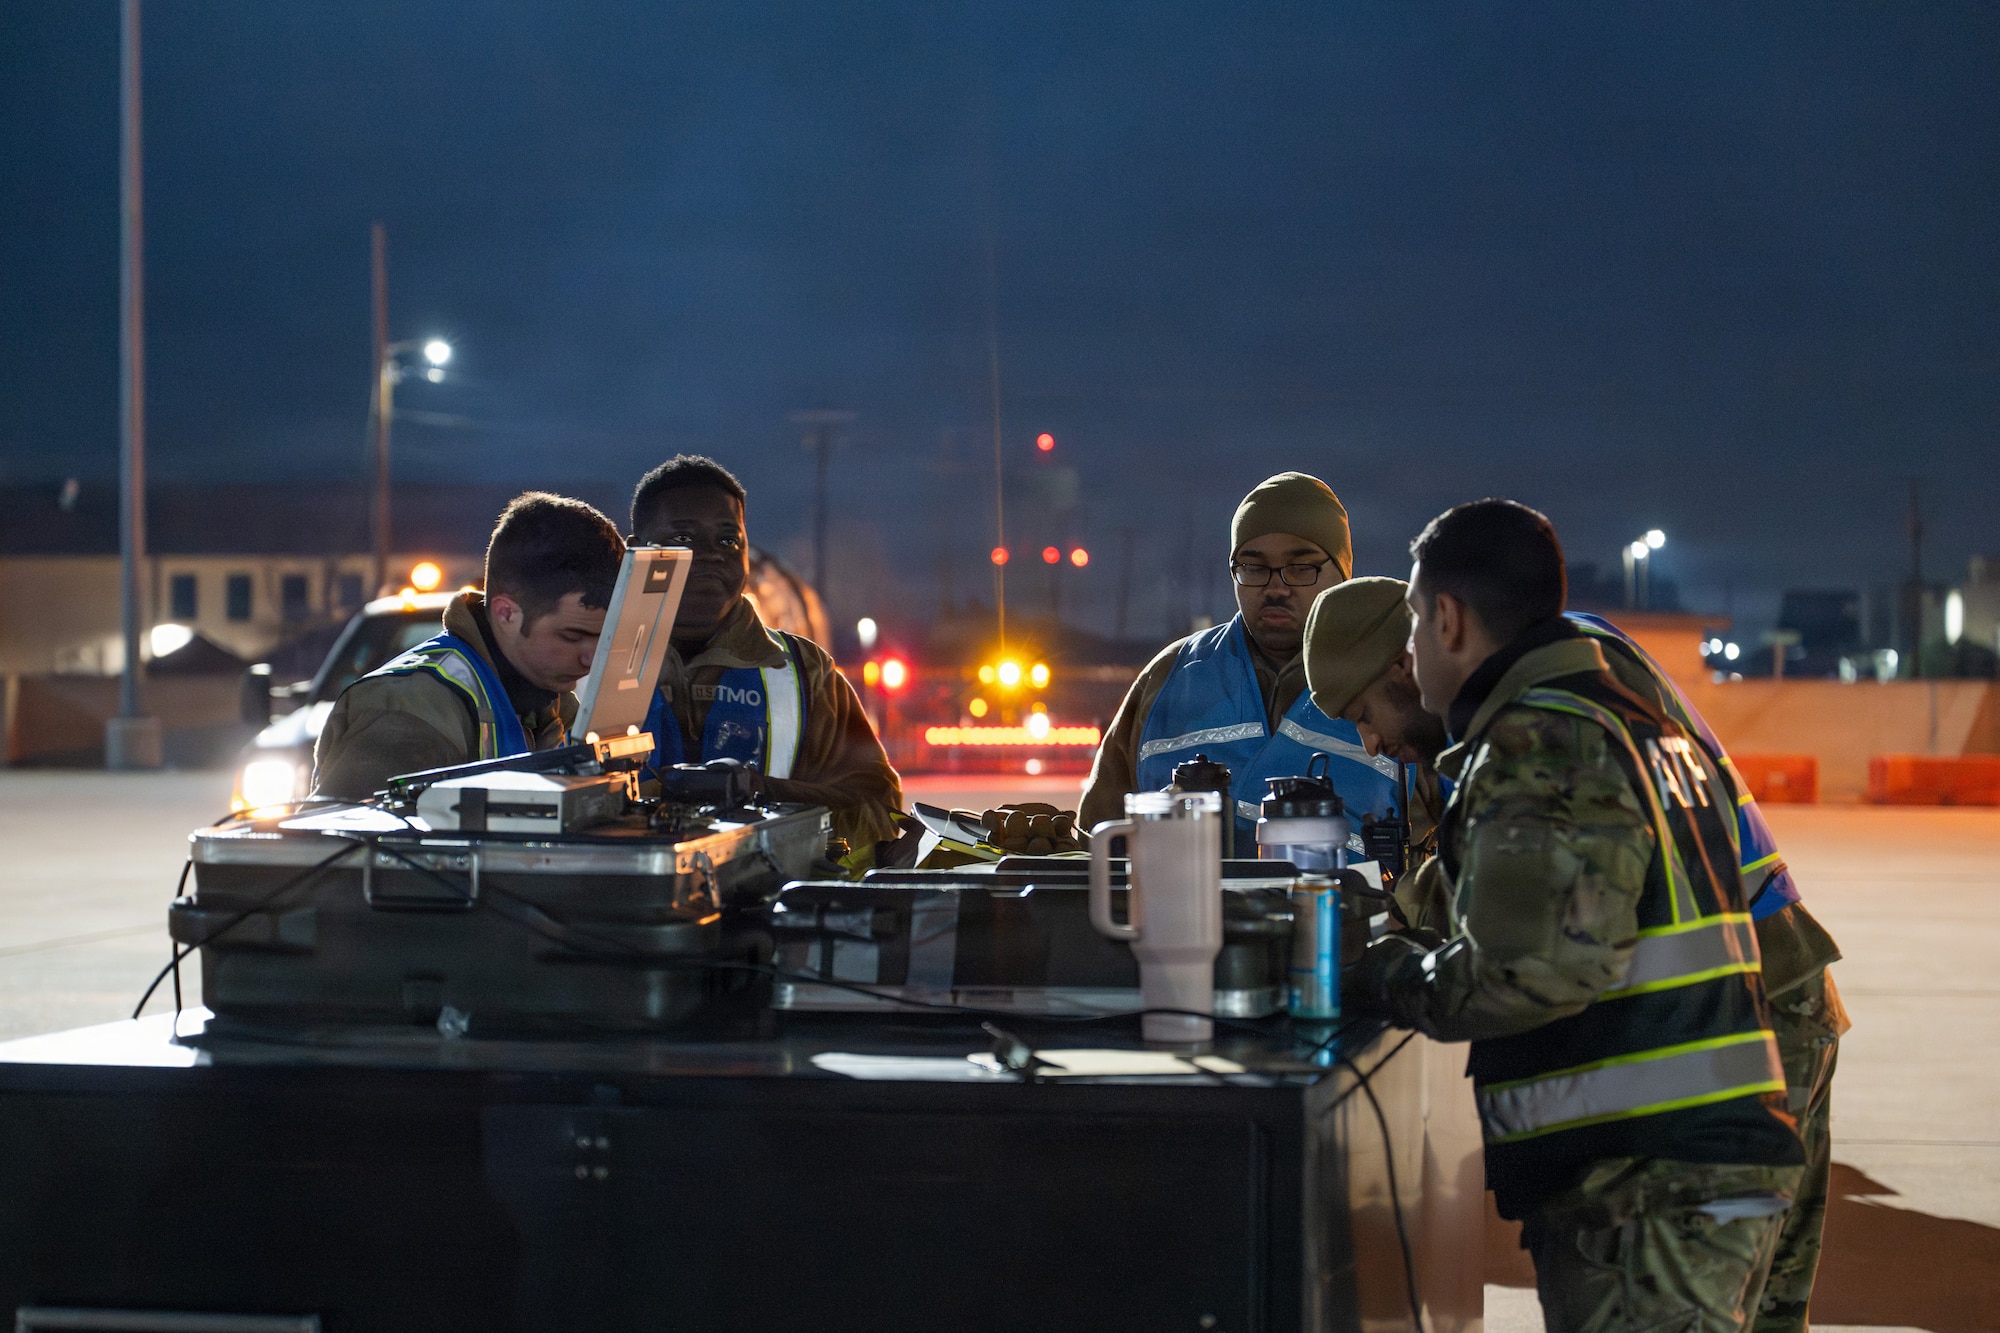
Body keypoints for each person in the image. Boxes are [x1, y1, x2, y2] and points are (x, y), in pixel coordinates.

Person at [1306, 577, 1846, 1333]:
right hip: (1774, 996)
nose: (1371, 741)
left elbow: (1534, 928)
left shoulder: (1545, 711)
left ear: (1408, 663)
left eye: (1364, 713)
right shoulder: (1574, 663)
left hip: (1724, 1022)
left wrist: (1377, 958)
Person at [1079, 472, 1406, 850]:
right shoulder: (1168, 678)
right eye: (1253, 567)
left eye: (1301, 568)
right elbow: (1097, 844)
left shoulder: (1397, 687)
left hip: (1347, 910)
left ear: (1343, 574)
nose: (1276, 587)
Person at [628, 454, 901, 851]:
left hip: (769, 908)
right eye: (682, 538)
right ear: (636, 551)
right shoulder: (579, 668)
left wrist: (762, 795)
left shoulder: (807, 674)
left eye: (728, 539)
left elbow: (881, 813)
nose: (710, 553)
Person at [313, 492, 624, 799]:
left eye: (602, 636)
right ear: (506, 613)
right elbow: (343, 846)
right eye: (571, 636)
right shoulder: (405, 712)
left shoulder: (548, 703)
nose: (591, 659)